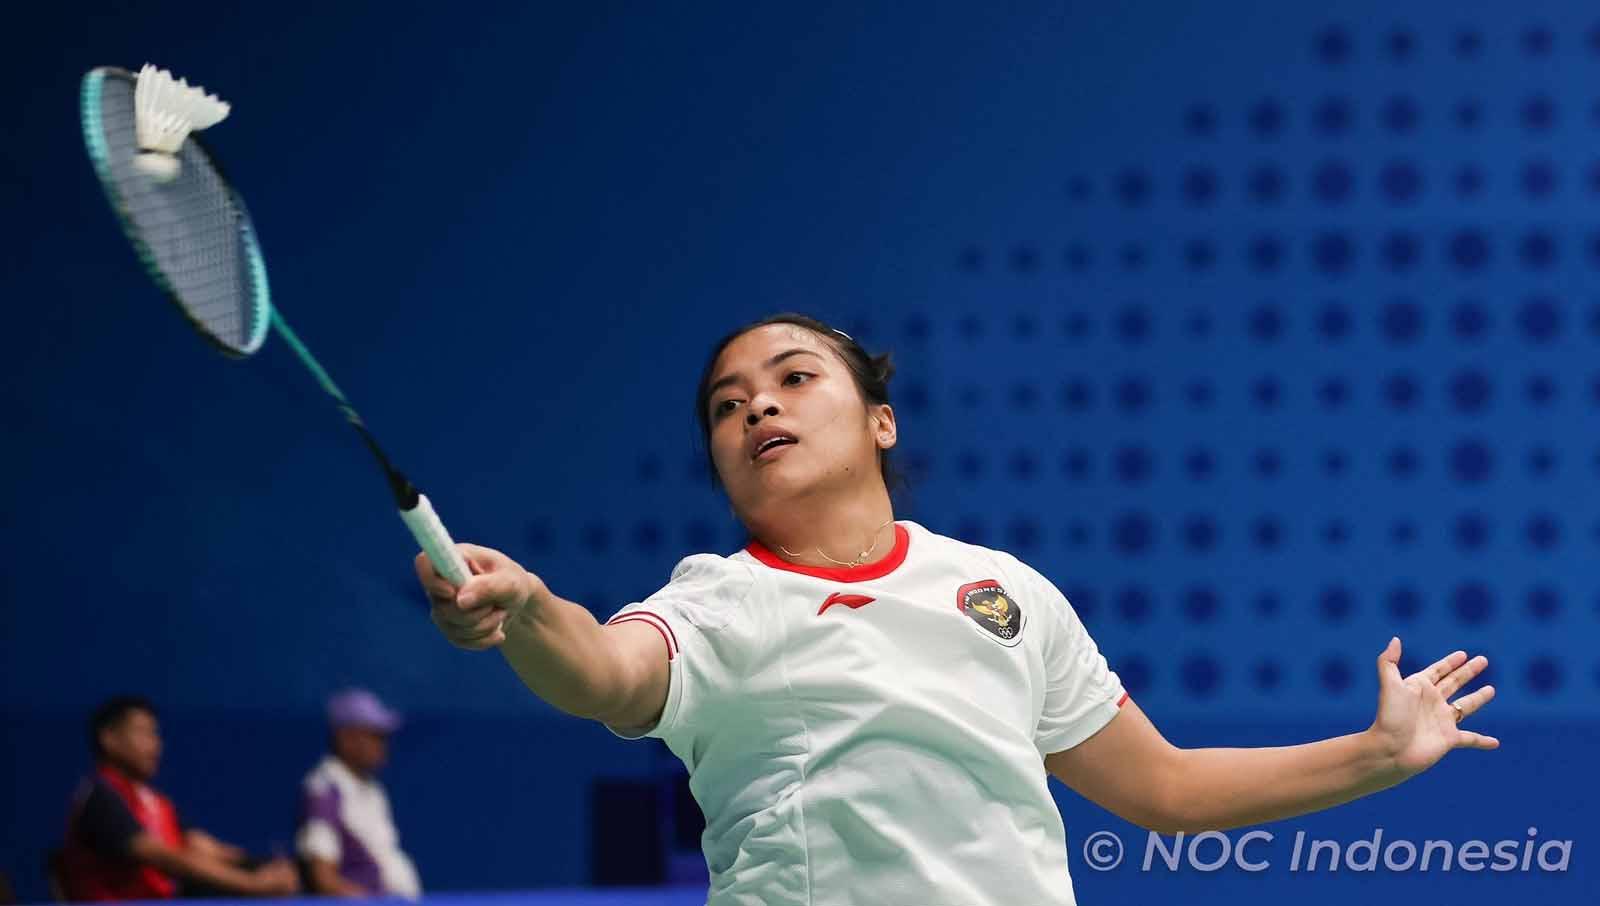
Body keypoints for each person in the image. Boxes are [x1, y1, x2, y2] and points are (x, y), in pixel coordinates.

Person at [415, 313, 1499, 905]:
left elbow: (1163, 787)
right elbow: (605, 673)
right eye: (727, 405)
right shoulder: (720, 602)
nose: (756, 405)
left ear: (880, 423)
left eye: (793, 379)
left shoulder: (1007, 594)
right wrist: (526, 610)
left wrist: (1375, 755)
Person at [59, 696, 299, 900]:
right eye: (143, 733)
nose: (155, 745)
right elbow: (168, 859)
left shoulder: (155, 801)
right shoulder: (100, 798)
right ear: (109, 738)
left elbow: (201, 846)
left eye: (156, 734)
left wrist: (264, 867)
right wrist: (252, 884)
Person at [295, 689, 421, 898]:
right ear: (346, 738)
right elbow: (324, 879)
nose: (383, 745)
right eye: (374, 736)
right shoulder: (324, 792)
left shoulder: (371, 787)